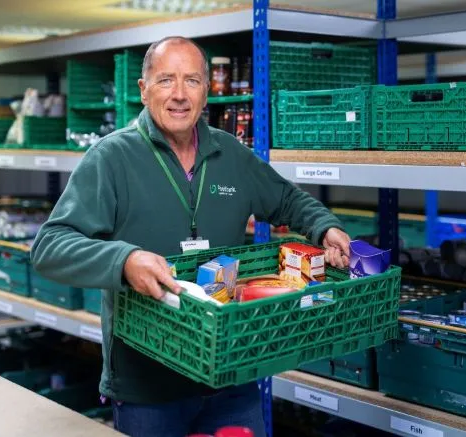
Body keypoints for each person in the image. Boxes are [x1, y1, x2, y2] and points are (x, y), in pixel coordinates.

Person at [30, 36, 351, 437]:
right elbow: (50, 246)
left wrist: (325, 226)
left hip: (231, 372)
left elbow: (286, 198)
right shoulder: (111, 158)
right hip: (148, 384)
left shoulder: (230, 153)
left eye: (192, 81)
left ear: (207, 90)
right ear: (144, 90)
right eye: (166, 80)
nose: (179, 95)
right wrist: (124, 261)